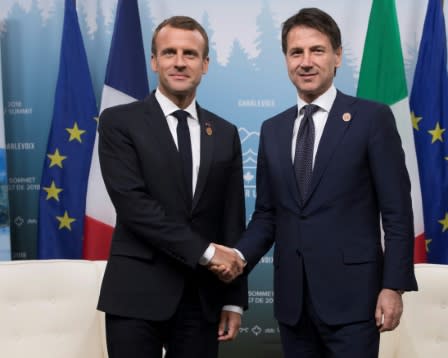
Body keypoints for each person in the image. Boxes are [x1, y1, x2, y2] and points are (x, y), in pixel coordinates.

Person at [214, 7, 418, 357]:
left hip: (355, 302)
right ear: (286, 60)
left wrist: (393, 286)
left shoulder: (372, 119)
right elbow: (266, 215)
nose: (306, 62)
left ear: (337, 56)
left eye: (317, 50)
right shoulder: (273, 130)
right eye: (296, 52)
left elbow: (397, 212)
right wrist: (236, 255)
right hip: (294, 303)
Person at [96, 16, 247, 358]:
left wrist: (234, 300)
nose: (179, 62)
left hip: (203, 299)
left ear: (205, 64)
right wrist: (208, 253)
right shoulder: (119, 123)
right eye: (169, 52)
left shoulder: (224, 132)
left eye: (190, 54)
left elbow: (232, 217)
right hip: (136, 295)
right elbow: (135, 207)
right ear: (154, 61)